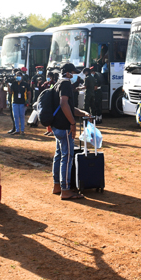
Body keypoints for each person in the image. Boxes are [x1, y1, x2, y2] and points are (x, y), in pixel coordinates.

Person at [51, 63, 91, 200]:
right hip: (64, 126)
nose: (74, 75)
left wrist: (82, 113)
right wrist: (73, 123)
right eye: (72, 73)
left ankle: (57, 185)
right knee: (67, 158)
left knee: (58, 155)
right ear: (67, 73)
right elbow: (64, 104)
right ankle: (65, 189)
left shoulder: (57, 84)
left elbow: (68, 107)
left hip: (57, 126)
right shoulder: (66, 84)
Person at [9, 70, 29, 135]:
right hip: (15, 102)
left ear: (22, 76)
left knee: (22, 116)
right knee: (16, 116)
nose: (18, 77)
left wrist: (28, 101)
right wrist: (7, 84)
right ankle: (17, 130)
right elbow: (10, 92)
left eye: (19, 76)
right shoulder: (14, 84)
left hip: (22, 102)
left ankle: (22, 130)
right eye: (17, 76)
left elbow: (29, 93)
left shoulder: (25, 84)